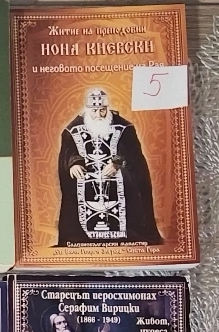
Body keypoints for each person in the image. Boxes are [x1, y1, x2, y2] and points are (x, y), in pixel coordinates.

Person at [56, 88, 161, 246]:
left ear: (107, 108)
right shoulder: (73, 129)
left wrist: (117, 162)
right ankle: (80, 237)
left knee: (129, 182)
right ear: (87, 109)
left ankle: (128, 235)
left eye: (103, 110)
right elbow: (68, 151)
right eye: (95, 111)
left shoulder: (123, 127)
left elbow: (132, 153)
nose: (99, 115)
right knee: (75, 186)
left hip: (116, 175)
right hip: (87, 176)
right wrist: (74, 163)